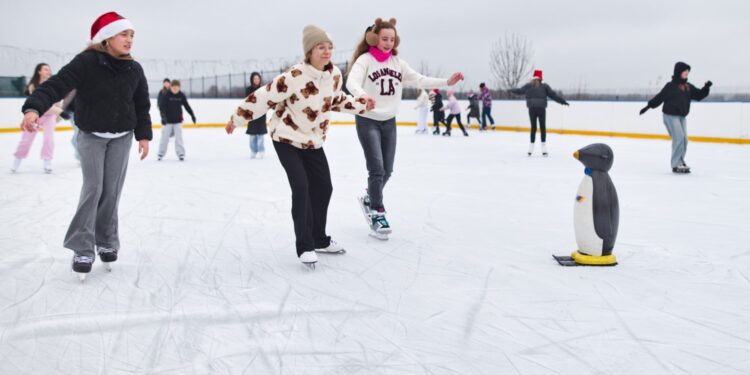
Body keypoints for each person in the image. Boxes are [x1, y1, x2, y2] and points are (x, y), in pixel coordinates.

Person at [225, 25, 374, 268]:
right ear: (309, 51)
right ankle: (304, 245)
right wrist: (237, 118)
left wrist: (360, 104)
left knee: (324, 187)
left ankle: (319, 239)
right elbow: (263, 97)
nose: (327, 52)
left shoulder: (334, 75)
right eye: (321, 47)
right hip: (285, 138)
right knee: (302, 187)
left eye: (329, 47)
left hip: (313, 140)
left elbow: (337, 100)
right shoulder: (294, 76)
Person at [20, 11, 152, 280]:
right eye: (123, 34)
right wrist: (33, 108)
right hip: (91, 135)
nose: (129, 40)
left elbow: (141, 105)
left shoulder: (134, 68)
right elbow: (56, 86)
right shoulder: (87, 62)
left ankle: (106, 241)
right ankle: (82, 246)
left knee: (112, 191)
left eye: (131, 35)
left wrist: (143, 135)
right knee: (94, 188)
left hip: (122, 137)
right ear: (106, 37)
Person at [346, 17, 464, 238]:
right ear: (374, 39)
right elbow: (351, 82)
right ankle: (377, 212)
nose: (388, 43)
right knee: (377, 169)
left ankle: (370, 197)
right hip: (368, 119)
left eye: (392, 39)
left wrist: (446, 82)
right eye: (384, 38)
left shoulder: (398, 64)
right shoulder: (365, 60)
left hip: (389, 122)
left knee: (387, 170)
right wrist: (362, 96)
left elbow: (420, 80)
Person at [640, 62, 711, 174]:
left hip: (682, 116)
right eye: (685, 70)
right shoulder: (670, 86)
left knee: (684, 140)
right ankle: (675, 163)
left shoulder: (688, 87)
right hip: (670, 115)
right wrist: (649, 106)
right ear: (678, 72)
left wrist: (706, 88)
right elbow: (660, 97)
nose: (687, 72)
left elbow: (698, 95)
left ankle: (681, 161)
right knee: (679, 137)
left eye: (688, 71)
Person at [11, 63, 61, 173]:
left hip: (49, 117)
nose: (48, 71)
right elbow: (40, 103)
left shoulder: (54, 85)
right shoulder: (33, 86)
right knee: (26, 140)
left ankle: (47, 162)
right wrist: (59, 111)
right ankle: (17, 160)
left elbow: (57, 103)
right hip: (35, 116)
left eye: (49, 69)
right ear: (39, 71)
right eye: (46, 69)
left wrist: (58, 114)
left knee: (49, 139)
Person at [511, 69, 569, 157]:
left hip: (533, 109)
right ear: (541, 78)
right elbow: (553, 96)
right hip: (540, 109)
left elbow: (519, 91)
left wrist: (511, 90)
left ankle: (531, 147)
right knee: (542, 127)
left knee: (533, 128)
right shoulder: (542, 86)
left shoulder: (530, 86)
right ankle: (543, 147)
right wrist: (562, 101)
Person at [157, 79, 195, 161]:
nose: (175, 89)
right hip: (168, 121)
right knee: (164, 137)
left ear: (179, 88)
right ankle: (160, 153)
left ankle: (181, 153)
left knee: (179, 138)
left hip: (178, 121)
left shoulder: (181, 95)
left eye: (177, 88)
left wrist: (192, 115)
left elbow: (186, 106)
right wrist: (163, 117)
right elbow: (162, 107)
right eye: (173, 88)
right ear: (171, 87)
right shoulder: (166, 95)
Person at [245, 72, 268, 158]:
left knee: (261, 135)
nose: (256, 80)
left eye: (258, 78)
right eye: (255, 79)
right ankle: (253, 151)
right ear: (252, 80)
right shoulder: (248, 89)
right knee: (252, 136)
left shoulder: (263, 89)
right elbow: (248, 101)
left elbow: (265, 100)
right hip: (252, 115)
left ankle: (261, 150)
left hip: (261, 114)